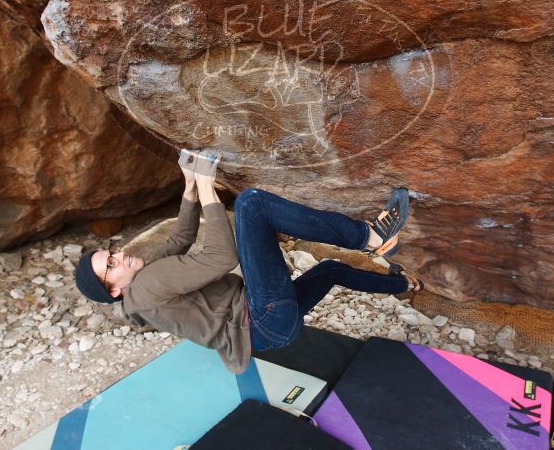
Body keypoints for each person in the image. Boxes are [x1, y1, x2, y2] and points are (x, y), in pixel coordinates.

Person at [74, 149, 423, 374]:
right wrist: (211, 189)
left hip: (267, 333)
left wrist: (190, 187)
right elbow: (222, 258)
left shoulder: (145, 289)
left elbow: (179, 241)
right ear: (115, 290)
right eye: (111, 265)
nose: (119, 256)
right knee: (252, 204)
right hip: (261, 317)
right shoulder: (148, 286)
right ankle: (371, 238)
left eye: (112, 253)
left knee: (330, 271)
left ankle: (403, 284)